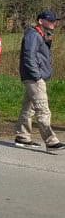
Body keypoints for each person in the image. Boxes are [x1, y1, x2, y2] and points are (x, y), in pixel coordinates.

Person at [15, 11, 64, 152]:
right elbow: (28, 56)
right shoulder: (33, 34)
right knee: (43, 109)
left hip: (34, 76)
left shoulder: (42, 34)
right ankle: (51, 141)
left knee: (28, 108)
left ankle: (22, 137)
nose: (53, 23)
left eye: (54, 21)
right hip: (34, 77)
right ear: (41, 21)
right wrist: (37, 75)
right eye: (51, 20)